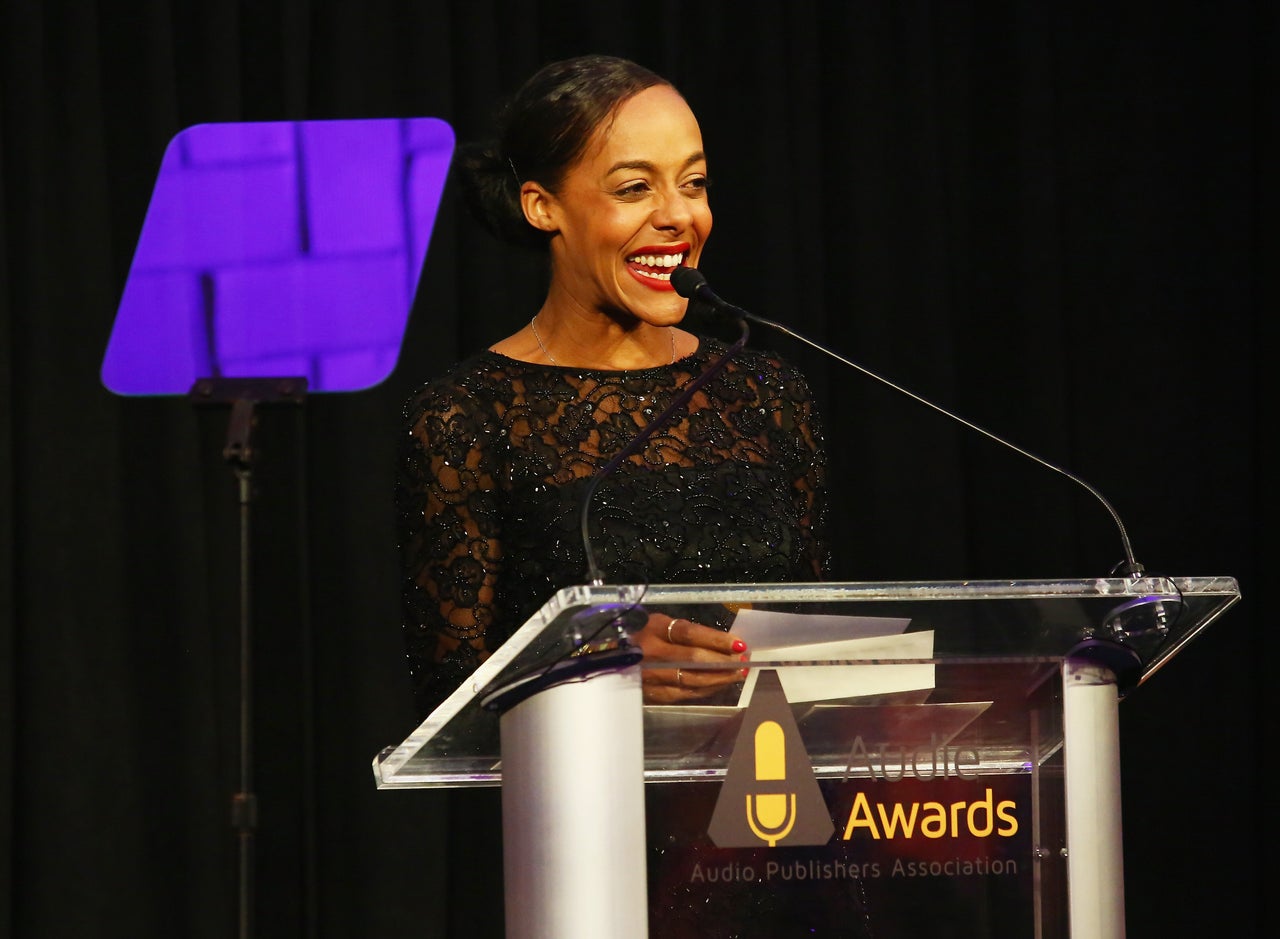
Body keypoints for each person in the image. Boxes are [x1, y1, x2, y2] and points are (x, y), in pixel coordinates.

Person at [396, 54, 828, 719]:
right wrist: (597, 664)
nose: (679, 216)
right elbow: (449, 695)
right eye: (634, 188)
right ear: (542, 206)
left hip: (770, 801)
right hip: (583, 807)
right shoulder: (466, 414)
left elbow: (819, 647)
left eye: (694, 183)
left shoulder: (769, 393)